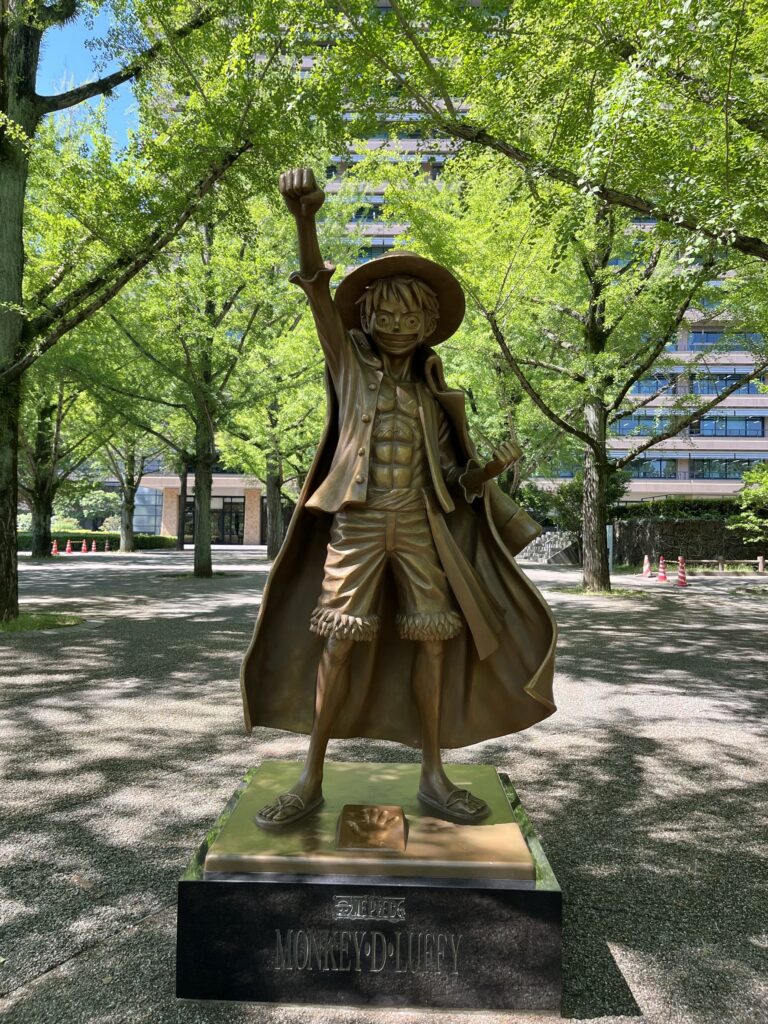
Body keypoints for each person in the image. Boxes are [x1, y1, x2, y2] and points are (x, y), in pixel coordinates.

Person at [241, 168, 557, 829]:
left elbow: (453, 481)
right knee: (337, 643)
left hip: (419, 525)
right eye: (385, 313)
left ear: (430, 325)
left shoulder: (434, 396)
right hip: (355, 524)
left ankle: (434, 775)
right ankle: (310, 777)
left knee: (434, 642)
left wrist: (489, 470)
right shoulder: (348, 365)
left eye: (412, 316)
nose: (397, 324)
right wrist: (304, 219)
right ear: (366, 316)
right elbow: (316, 290)